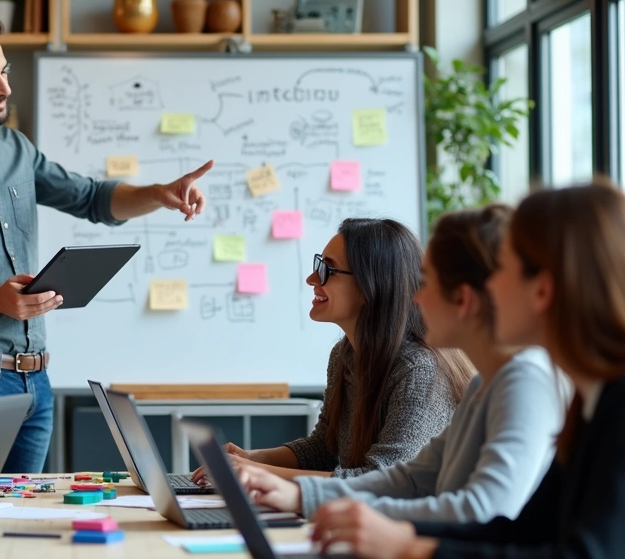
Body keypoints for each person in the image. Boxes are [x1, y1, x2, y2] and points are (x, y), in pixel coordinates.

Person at [0, 6, 214, 473]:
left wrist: (160, 193)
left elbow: (92, 198)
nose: (6, 89)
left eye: (5, 71)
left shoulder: (14, 147)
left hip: (37, 382)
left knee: (22, 527)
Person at [307, 181, 625, 559]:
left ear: (542, 290)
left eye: (501, 268)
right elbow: (524, 532)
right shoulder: (596, 398)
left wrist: (412, 550)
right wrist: (393, 532)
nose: (487, 285)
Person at [234, 205, 565, 522]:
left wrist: (388, 538)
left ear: (464, 299)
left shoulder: (520, 381)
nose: (415, 296)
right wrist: (294, 491)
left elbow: (478, 511)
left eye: (426, 282)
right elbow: (409, 480)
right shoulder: (486, 384)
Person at [196, 218, 474, 481]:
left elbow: (380, 481)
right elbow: (323, 449)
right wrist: (250, 459)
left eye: (327, 269)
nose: (311, 279)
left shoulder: (419, 370)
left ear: (370, 285)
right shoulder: (345, 355)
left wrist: (258, 473)